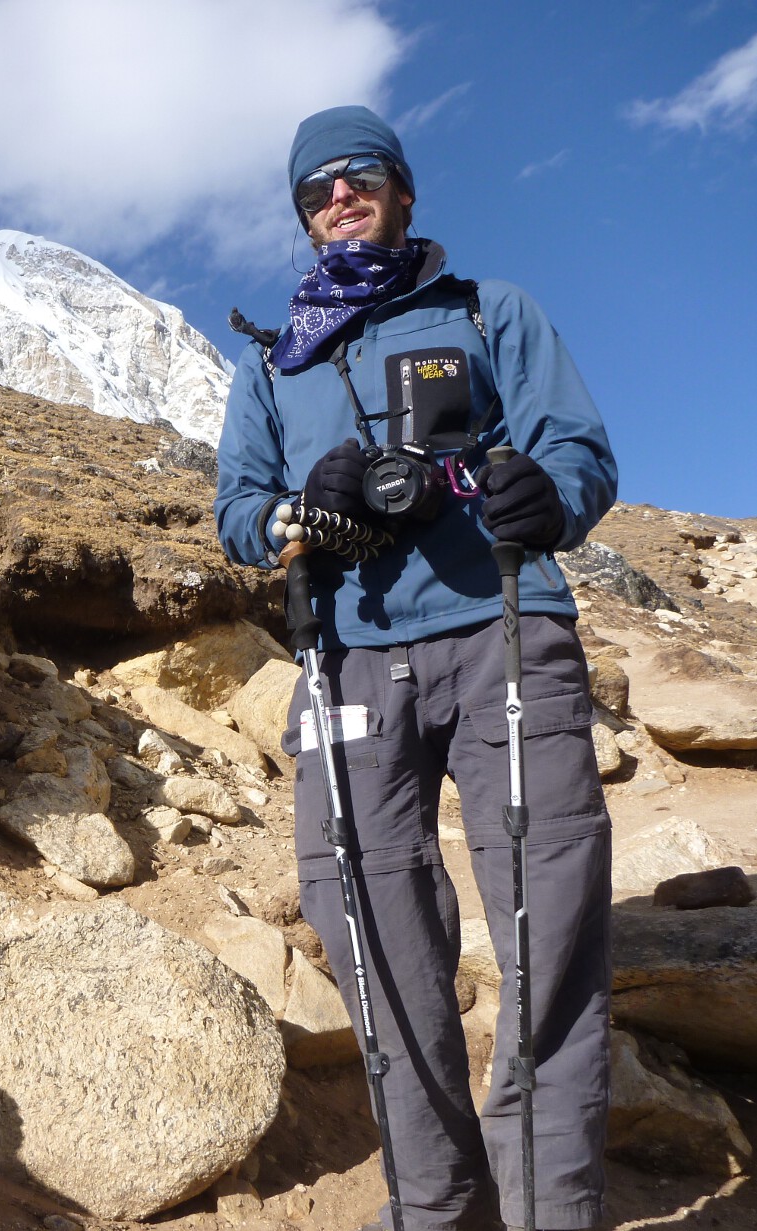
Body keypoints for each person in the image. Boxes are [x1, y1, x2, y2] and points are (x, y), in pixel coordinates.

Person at [214, 106, 618, 1231]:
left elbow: (577, 453)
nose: (338, 197)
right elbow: (239, 514)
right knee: (375, 941)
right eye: (316, 191)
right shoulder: (271, 363)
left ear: (401, 188)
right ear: (305, 217)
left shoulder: (491, 312)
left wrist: (549, 496)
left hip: (504, 623)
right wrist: (311, 509)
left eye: (358, 178)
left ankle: (547, 1209)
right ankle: (435, 1206)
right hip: (344, 662)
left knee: (550, 923)